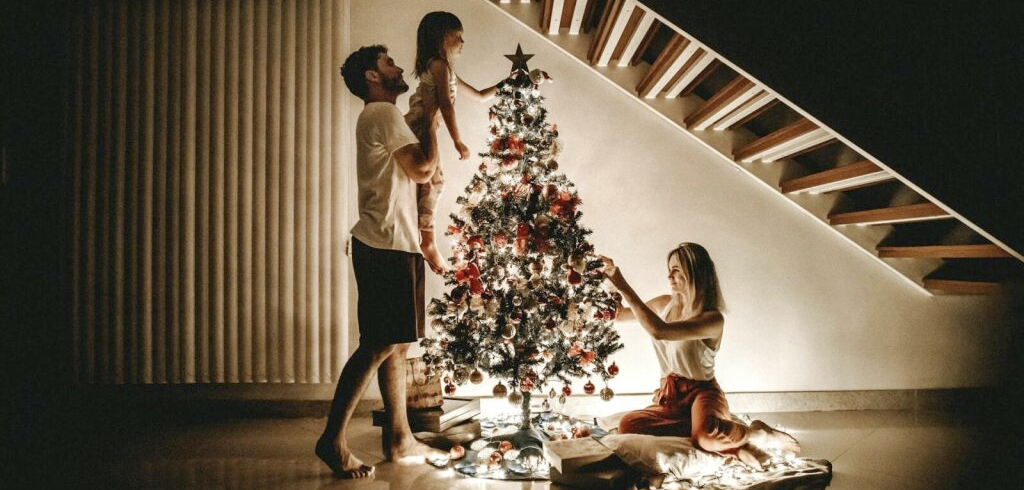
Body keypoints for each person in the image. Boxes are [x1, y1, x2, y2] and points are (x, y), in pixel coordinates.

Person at [316, 44, 446, 479]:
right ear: (372, 77)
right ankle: (333, 439)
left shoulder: (380, 118)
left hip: (394, 242)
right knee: (377, 342)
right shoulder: (382, 114)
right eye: (387, 64)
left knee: (395, 342)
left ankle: (399, 437)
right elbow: (423, 169)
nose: (395, 68)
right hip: (386, 243)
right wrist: (431, 117)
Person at [600, 243, 800, 470]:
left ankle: (754, 433)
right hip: (671, 394)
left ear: (695, 272)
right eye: (669, 269)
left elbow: (659, 330)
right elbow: (617, 316)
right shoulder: (664, 303)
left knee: (705, 437)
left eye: (676, 269)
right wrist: (610, 284)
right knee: (628, 425)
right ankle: (718, 432)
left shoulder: (712, 319)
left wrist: (623, 284)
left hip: (702, 393)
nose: (669, 275)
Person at [406, 11, 497, 275]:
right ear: (442, 37)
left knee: (431, 184)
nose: (462, 43)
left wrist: (509, 82)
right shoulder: (439, 66)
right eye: (458, 36)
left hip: (424, 129)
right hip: (419, 128)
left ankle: (425, 238)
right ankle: (428, 242)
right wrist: (458, 141)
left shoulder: (446, 69)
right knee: (434, 182)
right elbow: (444, 104)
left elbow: (479, 96)